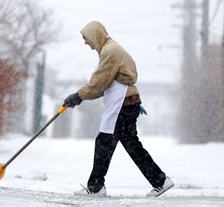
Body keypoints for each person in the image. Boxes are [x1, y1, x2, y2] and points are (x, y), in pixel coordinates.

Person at [63, 21, 174, 197]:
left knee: (104, 143)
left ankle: (96, 187)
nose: (86, 43)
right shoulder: (111, 49)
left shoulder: (109, 52)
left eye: (86, 39)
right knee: (129, 144)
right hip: (126, 103)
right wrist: (133, 102)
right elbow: (111, 81)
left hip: (122, 104)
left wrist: (79, 96)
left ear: (95, 35)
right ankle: (160, 180)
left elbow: (99, 82)